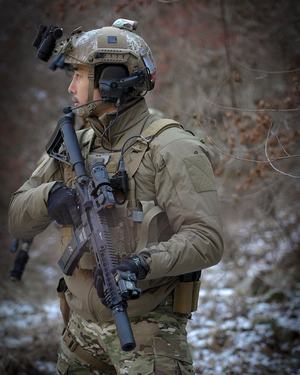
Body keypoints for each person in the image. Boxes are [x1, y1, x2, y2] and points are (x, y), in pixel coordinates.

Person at [8, 19, 223, 375]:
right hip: (78, 331)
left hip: (147, 332)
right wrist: (48, 197)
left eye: (79, 75)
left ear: (111, 80)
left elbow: (206, 240)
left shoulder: (173, 148)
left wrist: (141, 264)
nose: (70, 87)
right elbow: (17, 217)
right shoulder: (75, 143)